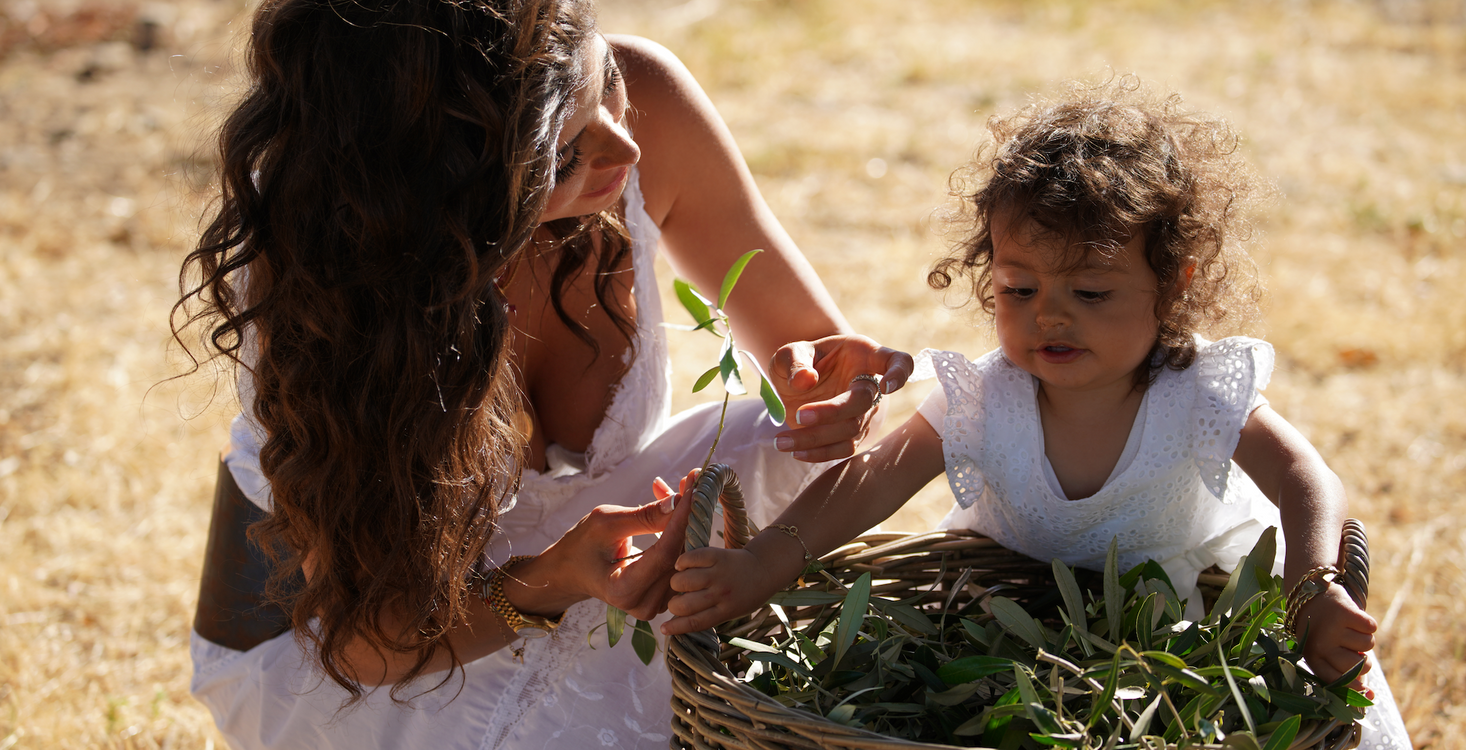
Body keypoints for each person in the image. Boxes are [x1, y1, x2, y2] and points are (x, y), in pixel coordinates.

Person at [172, 0, 911, 747]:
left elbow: (818, 356)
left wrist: (831, 389)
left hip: (585, 542)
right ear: (445, 185)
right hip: (353, 649)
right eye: (562, 155)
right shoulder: (330, 263)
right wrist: (554, 580)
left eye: (605, 82)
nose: (626, 148)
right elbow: (369, 640)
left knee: (785, 445)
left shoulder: (643, 103)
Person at [663, 81, 1411, 748]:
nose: (1050, 316)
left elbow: (1304, 474)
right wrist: (764, 562)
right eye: (1019, 290)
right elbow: (871, 481)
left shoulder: (1195, 391)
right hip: (1002, 638)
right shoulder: (988, 397)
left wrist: (1312, 584)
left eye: (1090, 293)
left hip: (1162, 650)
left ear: (1172, 283)